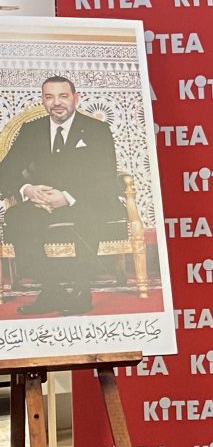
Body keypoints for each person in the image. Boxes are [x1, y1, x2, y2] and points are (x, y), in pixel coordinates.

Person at [0, 76, 123, 315]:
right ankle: (51, 289)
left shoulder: (97, 130)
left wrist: (67, 197)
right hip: (41, 202)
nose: (56, 102)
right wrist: (29, 190)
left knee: (89, 215)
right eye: (49, 97)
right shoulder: (31, 130)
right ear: (43, 100)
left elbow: (105, 176)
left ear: (76, 98)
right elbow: (5, 171)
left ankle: (81, 292)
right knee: (16, 217)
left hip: (84, 199)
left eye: (63, 96)